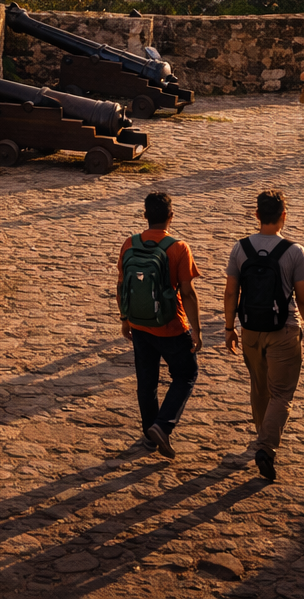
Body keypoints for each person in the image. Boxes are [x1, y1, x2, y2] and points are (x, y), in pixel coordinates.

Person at [224, 190, 304, 482]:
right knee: (282, 393)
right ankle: (266, 446)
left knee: (259, 387)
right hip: (284, 329)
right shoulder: (294, 251)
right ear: (283, 216)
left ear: (256, 216)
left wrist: (230, 328)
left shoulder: (240, 249)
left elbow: (231, 292)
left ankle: (261, 437)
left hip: (250, 329)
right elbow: (303, 298)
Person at [118, 191, 201, 460]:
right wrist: (197, 330)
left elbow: (121, 285)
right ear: (171, 216)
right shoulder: (178, 248)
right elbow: (187, 292)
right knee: (186, 375)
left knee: (147, 381)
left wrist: (124, 318)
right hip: (172, 325)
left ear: (145, 216)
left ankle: (149, 436)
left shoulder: (129, 244)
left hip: (140, 324)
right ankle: (162, 425)